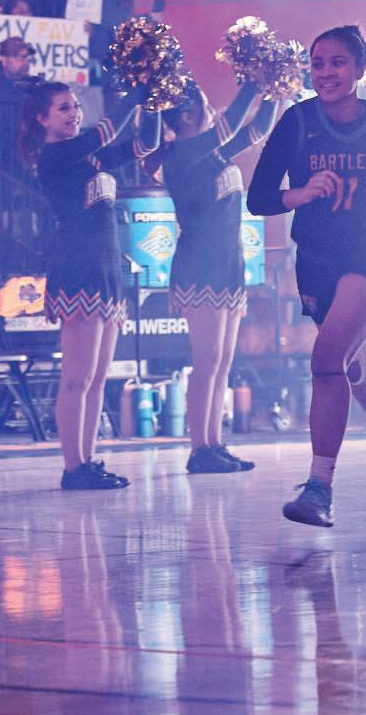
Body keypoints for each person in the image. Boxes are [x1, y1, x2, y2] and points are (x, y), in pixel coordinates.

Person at [247, 26, 366, 528]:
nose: (325, 72)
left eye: (337, 62)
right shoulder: (297, 122)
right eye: (317, 63)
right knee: (350, 364)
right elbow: (259, 198)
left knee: (326, 357)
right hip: (317, 260)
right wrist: (300, 194)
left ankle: (319, 488)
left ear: (361, 68)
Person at [19, 80, 151, 489]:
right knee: (77, 377)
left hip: (107, 271)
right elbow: (105, 132)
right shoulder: (55, 155)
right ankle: (72, 466)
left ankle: (87, 461)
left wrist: (155, 98)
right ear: (42, 119)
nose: (74, 112)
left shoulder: (91, 157)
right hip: (77, 271)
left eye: (76, 105)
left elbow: (144, 144)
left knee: (96, 378)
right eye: (63, 107)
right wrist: (135, 91)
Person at [154, 77, 280, 473]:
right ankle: (199, 449)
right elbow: (236, 119)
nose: (213, 110)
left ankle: (213, 443)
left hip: (228, 263)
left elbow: (258, 129)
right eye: (206, 105)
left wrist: (277, 88)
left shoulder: (213, 153)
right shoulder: (184, 154)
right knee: (206, 359)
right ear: (186, 116)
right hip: (200, 265)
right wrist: (254, 82)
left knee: (223, 360)